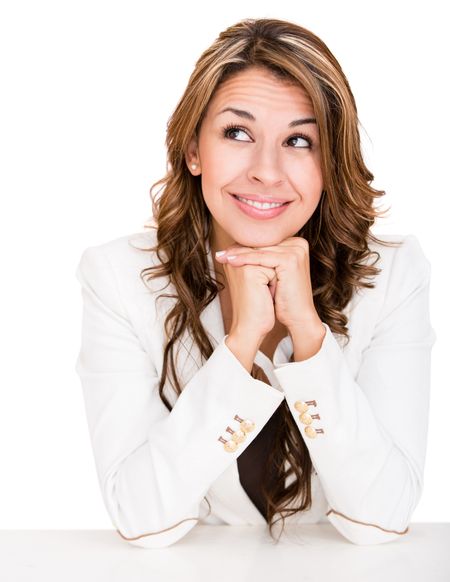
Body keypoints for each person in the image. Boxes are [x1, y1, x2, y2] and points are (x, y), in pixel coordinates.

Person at [74, 17, 436, 549]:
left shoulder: (393, 275)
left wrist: (309, 337)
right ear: (194, 150)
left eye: (298, 140)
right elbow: (141, 518)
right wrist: (241, 343)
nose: (267, 171)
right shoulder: (117, 277)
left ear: (329, 163)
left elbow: (382, 516)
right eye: (237, 133)